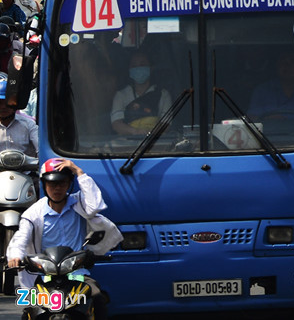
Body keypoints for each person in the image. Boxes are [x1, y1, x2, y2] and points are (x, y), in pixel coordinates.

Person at [6, 158, 122, 309]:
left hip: (76, 273)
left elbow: (95, 205)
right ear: (44, 185)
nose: (57, 189)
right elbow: (21, 238)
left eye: (62, 183)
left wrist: (78, 171)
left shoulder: (78, 203)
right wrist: (15, 257)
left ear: (69, 184)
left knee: (97, 298)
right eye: (52, 184)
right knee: (31, 310)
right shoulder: (33, 213)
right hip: (46, 275)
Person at [110, 50, 172, 136]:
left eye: (142, 65)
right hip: (126, 146)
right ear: (129, 70)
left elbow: (166, 124)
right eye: (134, 66)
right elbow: (116, 124)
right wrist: (135, 132)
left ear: (151, 68)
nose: (138, 68)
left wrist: (150, 133)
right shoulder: (121, 95)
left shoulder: (163, 95)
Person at [0, 75, 37, 156]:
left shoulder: (29, 124)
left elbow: (40, 149)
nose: (3, 107)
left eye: (6, 103)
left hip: (25, 168)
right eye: (0, 103)